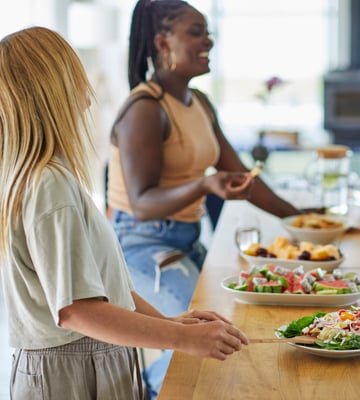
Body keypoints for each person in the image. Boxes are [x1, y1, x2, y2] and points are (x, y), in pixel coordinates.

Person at [0, 26, 249, 400]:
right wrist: (181, 338)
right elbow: (77, 311)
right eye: (75, 73)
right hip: (71, 372)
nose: (88, 93)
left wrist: (165, 322)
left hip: (90, 360)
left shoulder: (51, 176)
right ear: (51, 88)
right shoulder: (49, 185)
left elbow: (108, 290)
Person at [106, 0, 299, 397]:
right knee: (195, 343)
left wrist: (303, 218)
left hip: (187, 243)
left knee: (227, 330)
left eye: (207, 31)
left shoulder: (200, 103)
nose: (207, 40)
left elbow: (244, 176)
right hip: (142, 246)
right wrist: (204, 185)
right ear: (163, 42)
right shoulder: (145, 108)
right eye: (195, 32)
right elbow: (142, 203)